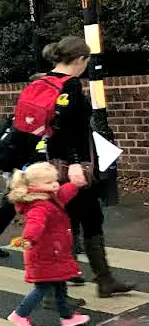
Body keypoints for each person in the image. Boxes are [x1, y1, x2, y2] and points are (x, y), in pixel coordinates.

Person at [36, 37, 134, 298]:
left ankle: (97, 280)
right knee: (86, 221)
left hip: (51, 165)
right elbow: (71, 131)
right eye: (87, 60)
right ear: (79, 59)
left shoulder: (43, 82)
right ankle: (61, 291)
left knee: (70, 222)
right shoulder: (70, 86)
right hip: (73, 168)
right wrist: (77, 163)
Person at [6, 163, 90, 326]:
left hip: (53, 252)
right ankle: (20, 314)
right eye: (49, 182)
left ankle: (67, 317)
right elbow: (35, 224)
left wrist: (74, 184)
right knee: (43, 287)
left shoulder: (49, 197)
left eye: (55, 180)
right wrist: (28, 240)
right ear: (34, 186)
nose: (54, 185)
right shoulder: (40, 205)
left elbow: (63, 194)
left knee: (60, 285)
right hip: (45, 254)